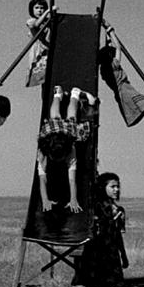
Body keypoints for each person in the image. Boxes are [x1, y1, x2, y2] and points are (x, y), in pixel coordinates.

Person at [77, 172, 129, 287]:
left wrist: (123, 256)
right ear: (103, 188)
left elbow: (118, 235)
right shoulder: (97, 208)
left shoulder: (119, 210)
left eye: (118, 186)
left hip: (111, 253)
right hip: (98, 252)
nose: (116, 189)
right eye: (112, 186)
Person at [37, 85, 95, 214]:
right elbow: (42, 178)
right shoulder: (43, 152)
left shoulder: (70, 149)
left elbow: (72, 179)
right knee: (55, 117)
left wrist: (73, 199)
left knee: (71, 118)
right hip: (52, 131)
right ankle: (58, 95)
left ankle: (73, 95)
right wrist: (45, 199)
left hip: (65, 132)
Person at [26, 0, 57, 87]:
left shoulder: (48, 21)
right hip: (40, 53)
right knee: (44, 80)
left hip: (49, 51)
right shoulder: (31, 21)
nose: (39, 10)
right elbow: (35, 25)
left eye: (42, 8)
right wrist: (48, 11)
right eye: (37, 8)